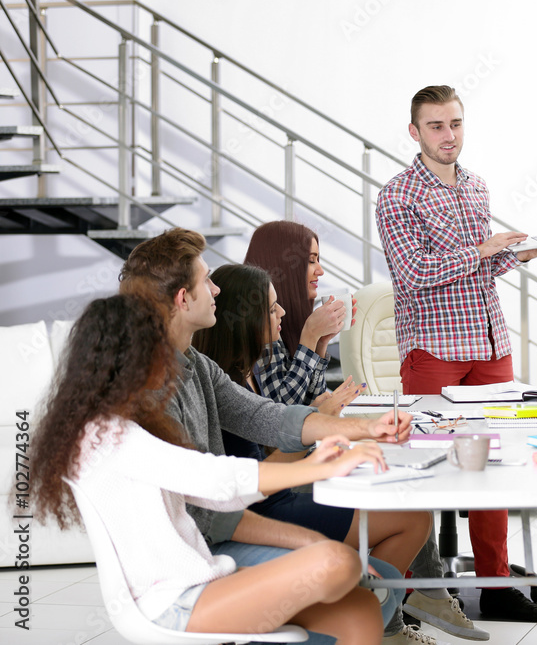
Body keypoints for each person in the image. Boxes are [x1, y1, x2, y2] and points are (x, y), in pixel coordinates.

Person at [119, 228, 418, 644]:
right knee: (357, 597)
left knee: (366, 598)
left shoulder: (197, 365)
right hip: (196, 559)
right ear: (181, 299)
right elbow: (215, 506)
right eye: (206, 279)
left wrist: (366, 428)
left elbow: (268, 416)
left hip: (220, 535)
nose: (217, 288)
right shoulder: (150, 390)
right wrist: (311, 524)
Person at [30, 293, 385, 643]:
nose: (171, 359)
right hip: (170, 603)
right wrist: (318, 468)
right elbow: (214, 478)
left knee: (360, 609)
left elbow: (214, 495)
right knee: (335, 562)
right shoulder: (106, 437)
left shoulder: (124, 426)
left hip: (202, 581)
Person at [376, 85, 537, 627]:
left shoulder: (476, 186)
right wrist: (483, 248)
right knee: (425, 467)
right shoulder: (398, 195)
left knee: (494, 468)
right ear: (415, 132)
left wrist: (520, 254)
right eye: (435, 126)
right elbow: (414, 274)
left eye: (455, 123)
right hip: (434, 344)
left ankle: (496, 585)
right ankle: (411, 593)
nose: (448, 135)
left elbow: (478, 271)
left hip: (487, 341)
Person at [193, 263, 435, 645]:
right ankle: (386, 618)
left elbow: (285, 420)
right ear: (246, 318)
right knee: (409, 525)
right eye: (272, 310)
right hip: (263, 510)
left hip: (273, 499)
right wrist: (322, 441)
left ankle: (384, 614)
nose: (282, 314)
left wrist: (339, 423)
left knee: (409, 526)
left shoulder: (247, 369)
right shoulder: (221, 375)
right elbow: (264, 470)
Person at [244, 220, 363, 410]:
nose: (320, 270)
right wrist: (309, 337)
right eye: (311, 261)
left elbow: (313, 401)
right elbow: (282, 413)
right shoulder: (260, 326)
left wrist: (320, 343)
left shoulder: (288, 320)